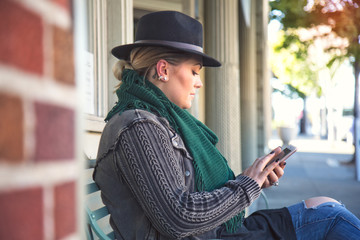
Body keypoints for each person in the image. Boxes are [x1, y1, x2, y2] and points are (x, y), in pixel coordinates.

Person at [93, 11, 360, 239]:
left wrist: (254, 178)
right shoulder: (138, 127)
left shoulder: (159, 120)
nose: (198, 82)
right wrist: (247, 185)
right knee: (330, 217)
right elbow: (179, 217)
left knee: (324, 205)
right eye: (195, 72)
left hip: (218, 232)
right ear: (163, 70)